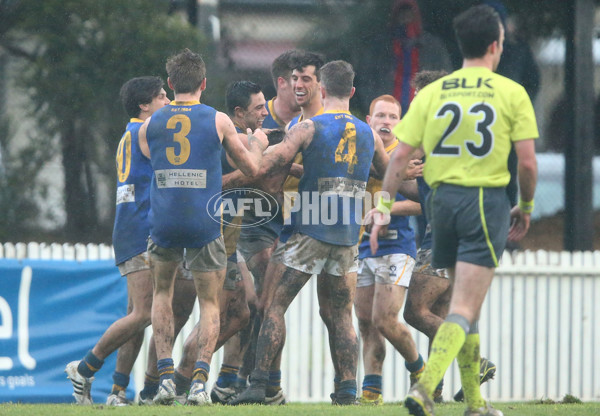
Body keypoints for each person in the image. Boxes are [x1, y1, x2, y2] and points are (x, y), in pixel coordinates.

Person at [369, 5, 537, 415]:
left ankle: (476, 405)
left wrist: (383, 209)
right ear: (495, 45)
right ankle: (424, 388)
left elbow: (397, 159)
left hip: (440, 205)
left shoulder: (430, 94)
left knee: (463, 305)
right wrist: (526, 207)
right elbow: (529, 163)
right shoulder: (509, 91)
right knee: (463, 306)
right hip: (483, 202)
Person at [229, 60, 390, 406]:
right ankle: (347, 390)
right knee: (341, 315)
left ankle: (259, 384)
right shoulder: (369, 133)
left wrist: (256, 147)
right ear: (351, 92)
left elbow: (274, 163)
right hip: (348, 236)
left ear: (322, 89)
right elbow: (389, 174)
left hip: (308, 231)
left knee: (273, 304)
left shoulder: (308, 127)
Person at [137, 48, 268, 405]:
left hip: (164, 220)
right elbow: (254, 170)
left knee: (162, 295)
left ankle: (164, 379)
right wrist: (256, 142)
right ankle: (197, 384)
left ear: (170, 83)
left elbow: (152, 158)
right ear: (204, 83)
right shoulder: (218, 119)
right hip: (204, 220)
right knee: (210, 304)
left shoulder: (151, 124)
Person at [64, 76, 173, 405]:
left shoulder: (128, 133)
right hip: (139, 227)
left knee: (135, 315)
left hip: (129, 225)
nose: (168, 102)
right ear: (145, 105)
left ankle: (117, 391)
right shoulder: (145, 131)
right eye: (163, 97)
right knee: (144, 314)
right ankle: (84, 368)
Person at [401, 70, 497, 405]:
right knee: (442, 312)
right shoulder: (461, 132)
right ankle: (436, 394)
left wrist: (390, 171)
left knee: (414, 311)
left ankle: (474, 362)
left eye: (419, 95)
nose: (415, 101)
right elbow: (419, 191)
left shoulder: (434, 133)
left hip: (444, 233)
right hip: (471, 231)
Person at [354, 94, 424, 406]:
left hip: (397, 244)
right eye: (380, 115)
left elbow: (424, 204)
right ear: (368, 121)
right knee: (366, 321)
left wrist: (386, 209)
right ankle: (371, 392)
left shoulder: (407, 156)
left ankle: (420, 370)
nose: (385, 121)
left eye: (392, 117)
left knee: (385, 319)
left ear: (400, 123)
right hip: (362, 246)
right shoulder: (358, 152)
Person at [353, 0, 452, 116]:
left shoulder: (432, 46)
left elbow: (445, 78)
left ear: (416, 15)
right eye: (402, 14)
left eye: (409, 14)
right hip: (387, 112)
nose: (406, 18)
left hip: (423, 112)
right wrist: (375, 106)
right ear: (395, 16)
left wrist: (435, 107)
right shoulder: (380, 47)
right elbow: (366, 79)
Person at [262, 49, 302, 129]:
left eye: (307, 80)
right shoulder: (256, 116)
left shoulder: (321, 116)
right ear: (282, 83)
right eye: (296, 80)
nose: (304, 86)